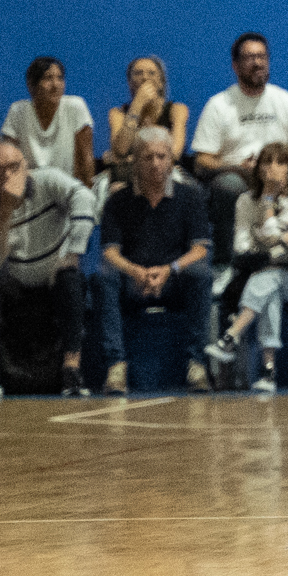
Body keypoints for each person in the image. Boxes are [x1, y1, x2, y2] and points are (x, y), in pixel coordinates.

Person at [0, 137, 94, 399]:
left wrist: (73, 252)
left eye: (14, 166)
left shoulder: (49, 180)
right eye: (0, 169)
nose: (9, 174)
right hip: (16, 283)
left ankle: (71, 372)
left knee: (72, 278)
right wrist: (5, 213)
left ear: (26, 166)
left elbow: (85, 198)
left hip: (53, 278)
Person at [96, 126, 216, 391]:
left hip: (173, 280)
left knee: (201, 274)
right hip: (134, 280)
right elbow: (109, 251)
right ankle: (116, 366)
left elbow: (199, 250)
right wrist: (135, 271)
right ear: (135, 161)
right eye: (147, 157)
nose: (155, 164)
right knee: (105, 277)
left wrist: (169, 269)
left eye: (162, 156)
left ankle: (197, 364)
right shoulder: (118, 201)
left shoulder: (190, 196)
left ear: (172, 159)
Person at [201, 141, 288, 394]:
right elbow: (241, 247)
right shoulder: (245, 200)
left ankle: (230, 337)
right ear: (257, 170)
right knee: (270, 287)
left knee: (268, 276)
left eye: (280, 163)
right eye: (266, 162)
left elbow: (269, 231)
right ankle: (268, 373)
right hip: (268, 275)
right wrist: (274, 242)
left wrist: (267, 208)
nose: (272, 169)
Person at [192, 32, 288, 230]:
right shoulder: (218, 104)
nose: (257, 63)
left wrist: (281, 171)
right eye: (249, 57)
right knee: (228, 185)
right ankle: (226, 258)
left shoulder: (287, 101)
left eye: (262, 57)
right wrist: (237, 167)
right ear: (235, 66)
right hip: (238, 175)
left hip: (282, 175)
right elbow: (202, 160)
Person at [3, 55, 94, 186]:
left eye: (60, 78)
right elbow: (8, 159)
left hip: (67, 187)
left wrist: (86, 195)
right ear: (31, 85)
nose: (56, 85)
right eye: (48, 78)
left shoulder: (75, 107)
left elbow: (86, 159)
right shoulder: (18, 111)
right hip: (29, 188)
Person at [104, 54, 187, 173]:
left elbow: (174, 153)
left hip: (166, 173)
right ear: (130, 82)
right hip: (129, 174)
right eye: (138, 73)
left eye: (151, 73)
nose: (145, 77)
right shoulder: (118, 114)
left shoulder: (177, 110)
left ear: (161, 81)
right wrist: (137, 105)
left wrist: (131, 159)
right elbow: (121, 150)